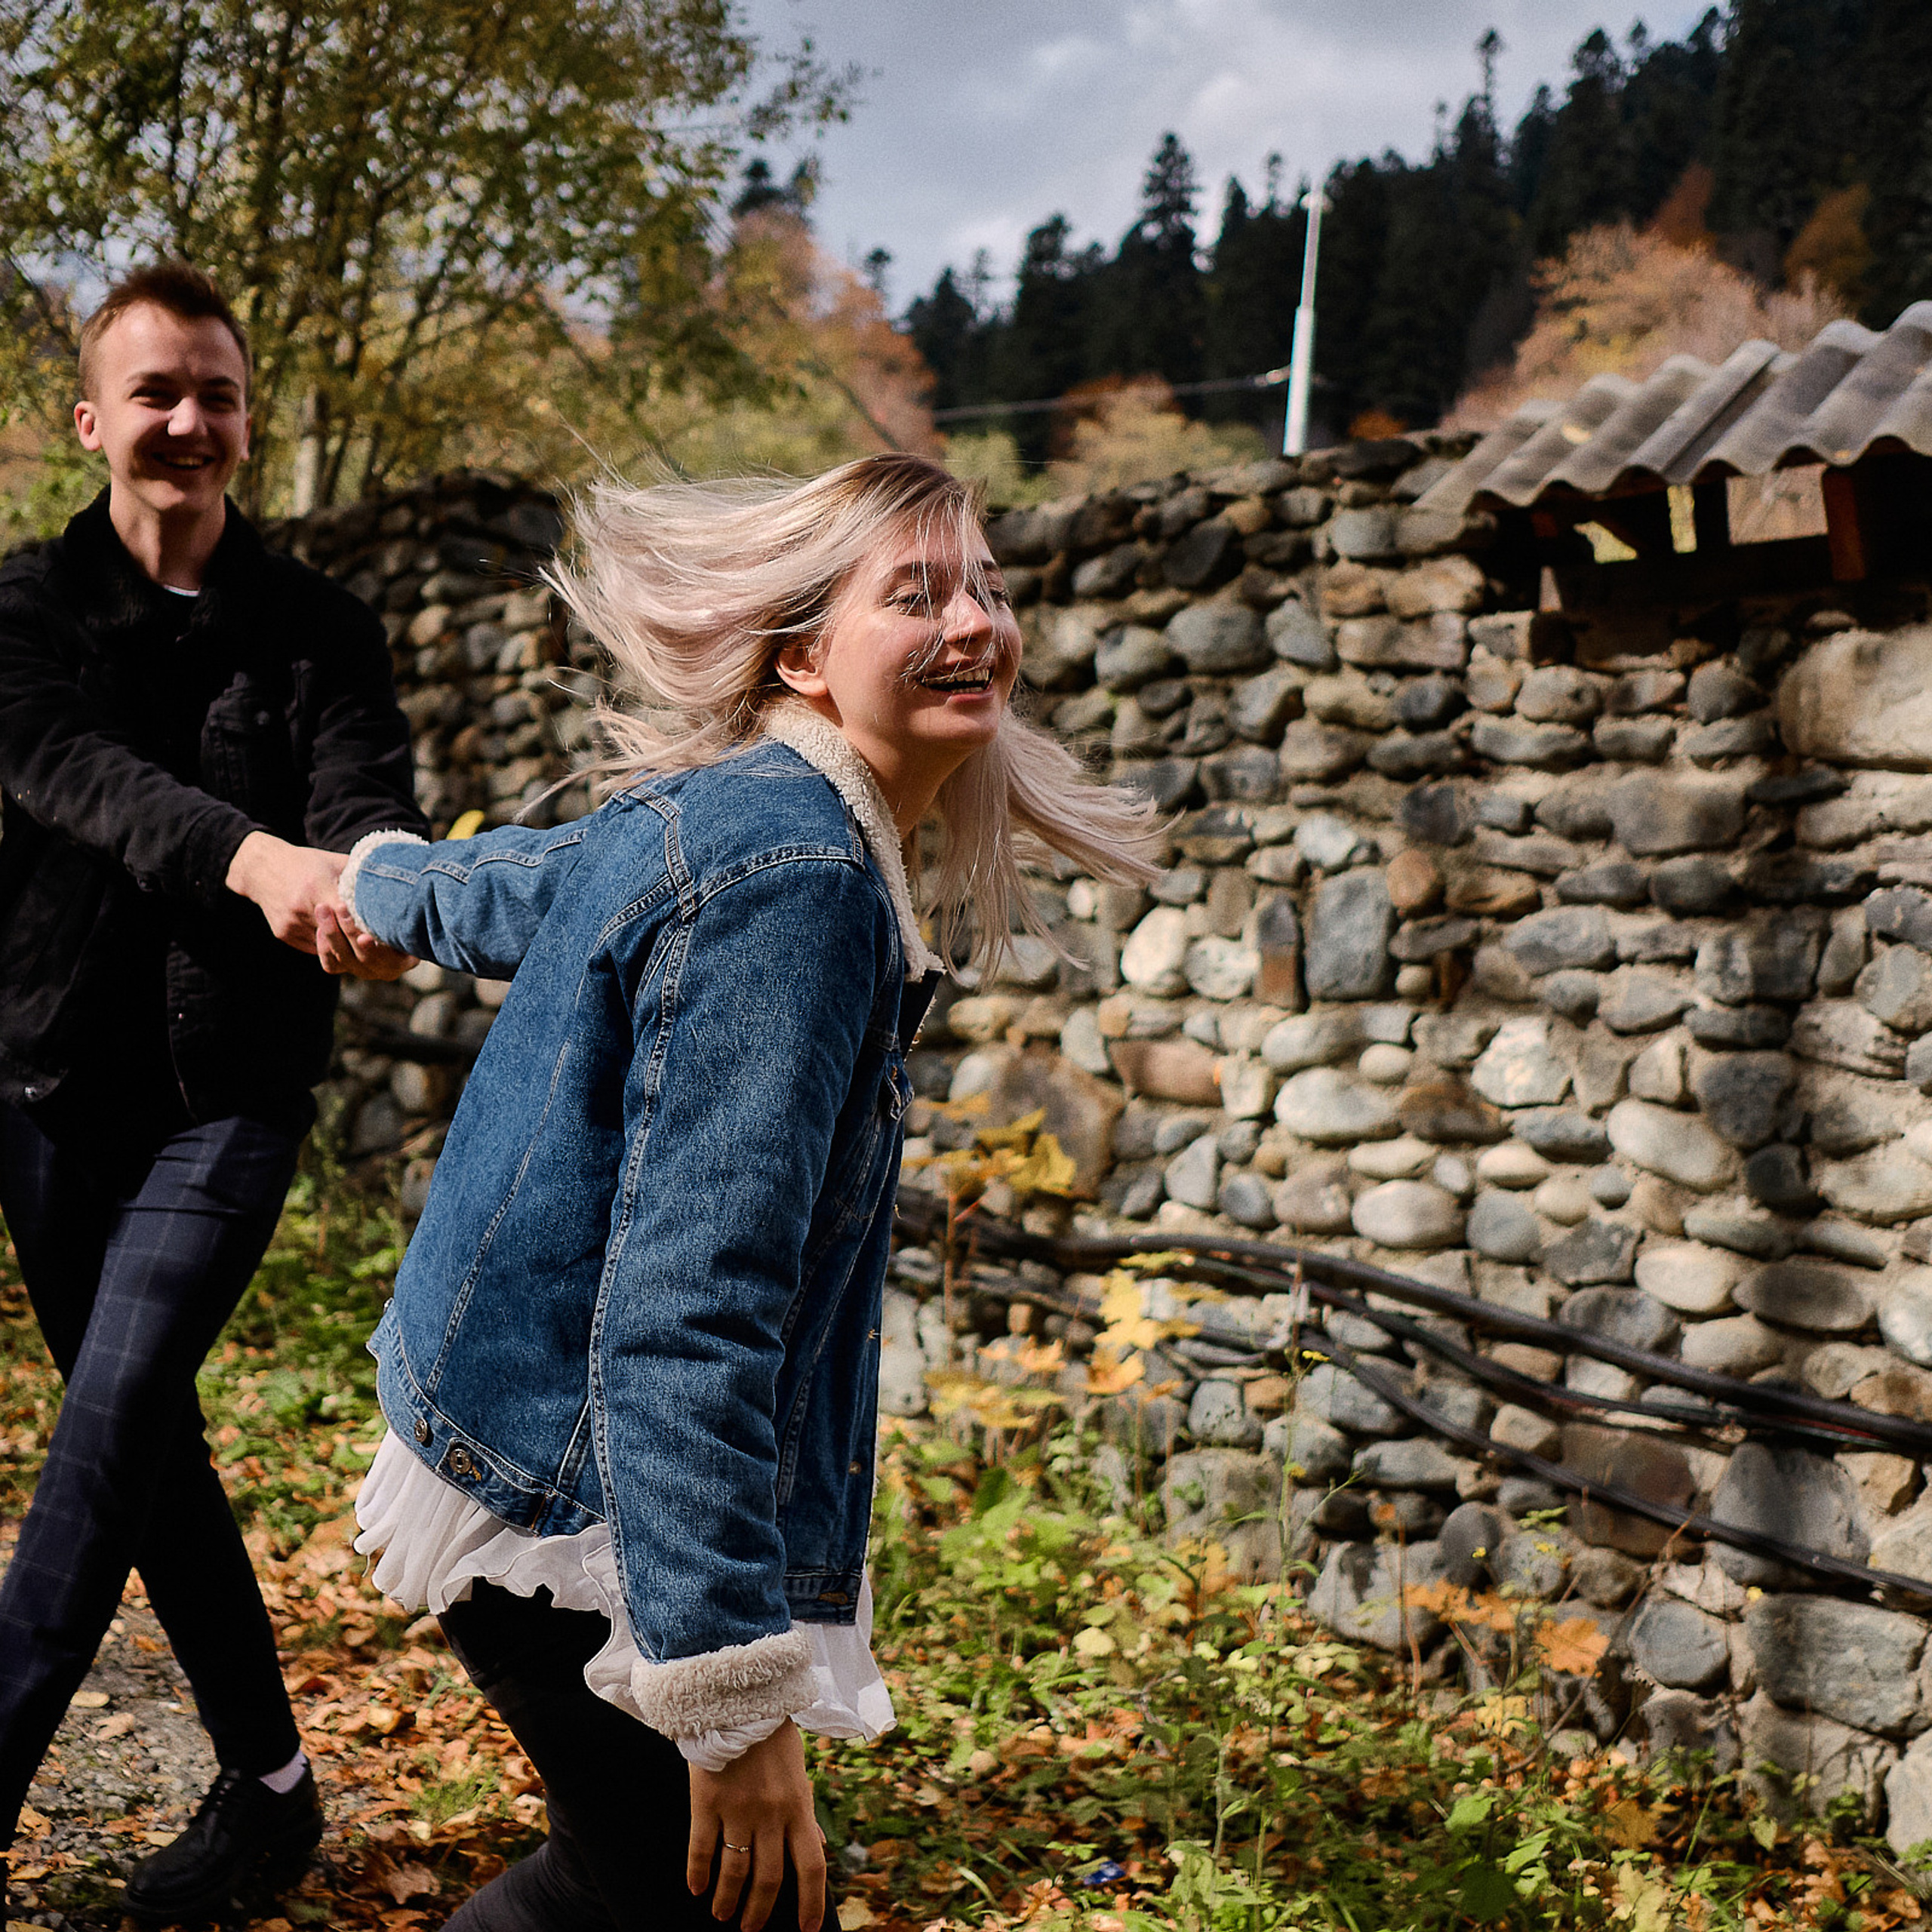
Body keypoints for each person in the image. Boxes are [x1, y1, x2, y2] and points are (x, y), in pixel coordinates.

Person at [340, 452, 1158, 1931]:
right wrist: (730, 1702)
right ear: (799, 652)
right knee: (667, 1884)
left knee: (647, 1887)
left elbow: (515, 883)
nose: (972, 618)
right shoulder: (794, 873)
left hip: (508, 1424)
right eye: (915, 593)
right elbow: (684, 1308)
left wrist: (373, 882)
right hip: (575, 1498)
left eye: (982, 583)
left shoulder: (738, 807)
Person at [0, 260, 426, 1922]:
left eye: (218, 394)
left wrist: (380, 890)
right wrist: (263, 859)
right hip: (38, 1092)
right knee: (147, 1448)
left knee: (97, 1443)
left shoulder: (321, 629)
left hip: (223, 1101)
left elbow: (368, 797)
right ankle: (269, 1788)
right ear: (94, 420)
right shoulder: (23, 613)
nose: (188, 420)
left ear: (249, 424)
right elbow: (78, 779)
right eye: (157, 391)